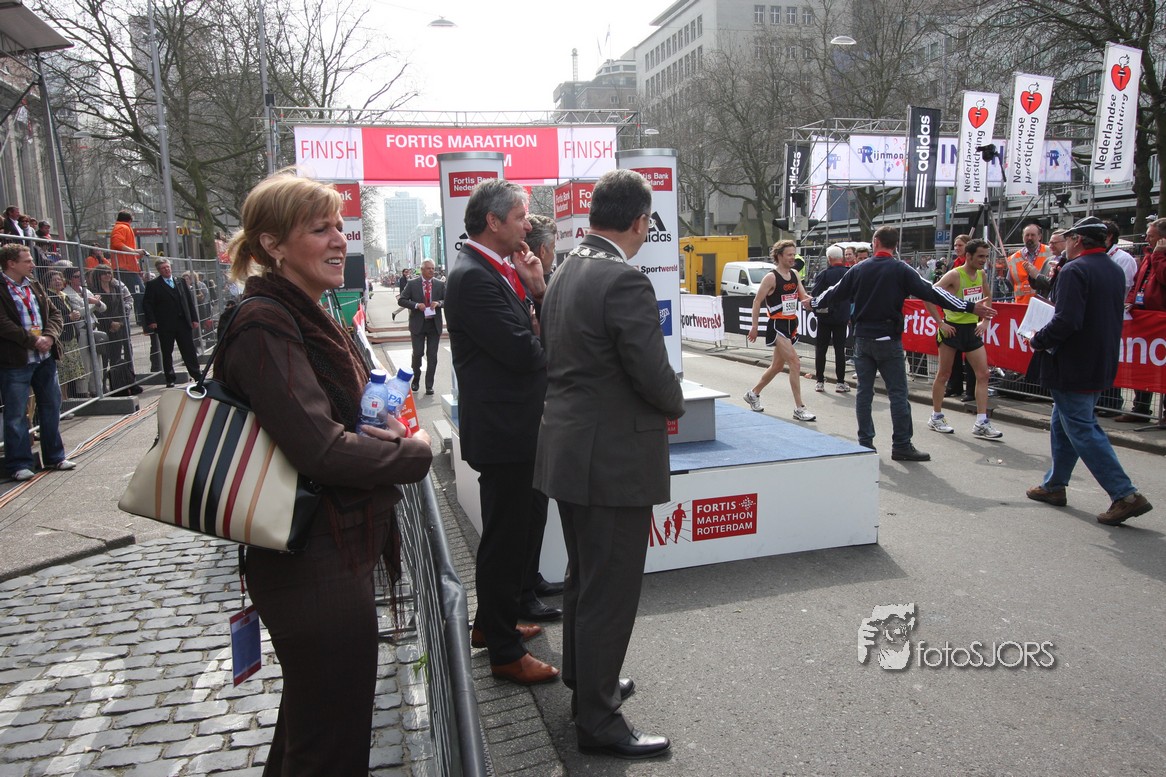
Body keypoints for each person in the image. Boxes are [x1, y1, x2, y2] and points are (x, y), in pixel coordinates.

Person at [217, 172, 433, 776]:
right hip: (310, 559)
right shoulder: (266, 322)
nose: (340, 239)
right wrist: (415, 454)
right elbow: (322, 449)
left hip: (330, 550)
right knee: (329, 744)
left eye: (340, 226)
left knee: (312, 730)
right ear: (273, 245)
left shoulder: (308, 313)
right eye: (320, 229)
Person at [534, 168, 684, 760]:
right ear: (641, 222)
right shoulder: (623, 279)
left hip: (570, 450)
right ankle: (597, 720)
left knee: (584, 578)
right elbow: (653, 374)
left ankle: (585, 679)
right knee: (610, 590)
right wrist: (673, 401)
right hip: (611, 458)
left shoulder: (567, 267)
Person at [444, 178, 557, 685]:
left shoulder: (493, 269)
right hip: (505, 430)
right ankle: (504, 652)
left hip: (514, 425)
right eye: (520, 217)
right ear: (492, 222)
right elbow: (525, 352)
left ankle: (493, 624)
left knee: (511, 533)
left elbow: (529, 343)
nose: (527, 226)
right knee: (506, 538)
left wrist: (536, 290)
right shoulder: (473, 276)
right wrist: (539, 316)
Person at [811, 226, 996, 461]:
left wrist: (813, 302)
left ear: (875, 242)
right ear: (895, 245)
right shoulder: (901, 269)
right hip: (889, 339)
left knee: (864, 394)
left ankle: (865, 444)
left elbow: (834, 292)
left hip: (863, 338)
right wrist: (969, 307)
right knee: (898, 394)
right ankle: (901, 445)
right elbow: (932, 292)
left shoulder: (859, 268)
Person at [1024, 216, 1152, 525]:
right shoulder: (1113, 268)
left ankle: (1124, 494)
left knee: (1080, 427)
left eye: (1068, 238)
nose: (1065, 243)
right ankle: (1054, 485)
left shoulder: (1075, 269)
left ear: (1077, 240)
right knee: (1062, 421)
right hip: (1100, 358)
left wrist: (1038, 339)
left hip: (1073, 362)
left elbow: (1067, 319)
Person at [518, 212, 565, 616]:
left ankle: (530, 580)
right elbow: (548, 344)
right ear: (545, 250)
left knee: (536, 508)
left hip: (538, 414)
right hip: (524, 418)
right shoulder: (518, 286)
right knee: (526, 513)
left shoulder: (533, 286)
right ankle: (521, 594)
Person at [0, 243, 76, 481]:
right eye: (27, 261)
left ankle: (55, 456)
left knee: (51, 407)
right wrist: (33, 341)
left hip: (44, 358)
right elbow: (3, 323)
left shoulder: (34, 285)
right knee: (16, 413)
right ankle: (19, 463)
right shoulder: (2, 288)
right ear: (11, 263)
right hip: (16, 361)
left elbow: (54, 314)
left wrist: (50, 337)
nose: (33, 264)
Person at [924, 238, 1003, 439]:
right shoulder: (954, 275)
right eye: (980, 256)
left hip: (971, 330)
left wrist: (985, 321)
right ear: (968, 256)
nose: (984, 260)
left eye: (986, 257)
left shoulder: (981, 274)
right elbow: (928, 295)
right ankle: (936, 416)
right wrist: (940, 323)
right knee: (944, 374)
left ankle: (981, 421)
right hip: (952, 329)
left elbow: (988, 297)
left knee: (983, 374)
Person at [743, 239, 816, 421]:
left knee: (777, 366)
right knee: (795, 363)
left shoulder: (794, 274)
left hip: (791, 324)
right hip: (777, 325)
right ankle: (799, 408)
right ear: (779, 256)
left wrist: (819, 301)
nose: (793, 258)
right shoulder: (771, 278)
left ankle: (753, 393)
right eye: (789, 255)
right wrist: (754, 326)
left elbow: (803, 296)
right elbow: (757, 301)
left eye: (794, 254)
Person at [1116, 217, 1166, 425]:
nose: (1146, 239)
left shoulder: (1157, 256)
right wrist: (1130, 301)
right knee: (1141, 364)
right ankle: (1140, 408)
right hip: (1143, 317)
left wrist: (1159, 255)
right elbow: (1137, 283)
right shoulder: (1148, 256)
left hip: (1160, 320)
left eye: (1151, 236)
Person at [143, 258, 201, 387]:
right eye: (163, 268)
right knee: (167, 351)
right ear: (159, 270)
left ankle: (197, 374)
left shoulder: (180, 281)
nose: (166, 270)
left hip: (183, 322)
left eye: (168, 267)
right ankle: (170, 378)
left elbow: (189, 301)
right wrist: (151, 321)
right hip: (165, 324)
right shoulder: (153, 285)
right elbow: (147, 304)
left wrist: (194, 318)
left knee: (189, 349)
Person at [397, 259, 444, 396]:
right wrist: (416, 305)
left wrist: (439, 303)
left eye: (433, 268)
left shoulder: (440, 284)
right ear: (422, 270)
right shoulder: (412, 284)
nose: (431, 271)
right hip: (418, 324)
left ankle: (429, 385)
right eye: (428, 268)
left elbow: (448, 299)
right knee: (418, 353)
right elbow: (401, 300)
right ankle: (416, 379)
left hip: (434, 325)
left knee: (432, 356)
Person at [89, 265, 139, 395]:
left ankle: (117, 387)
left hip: (118, 327)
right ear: (98, 275)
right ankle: (102, 387)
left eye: (109, 272)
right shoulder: (93, 290)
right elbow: (97, 310)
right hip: (103, 327)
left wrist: (120, 323)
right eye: (104, 273)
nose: (107, 275)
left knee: (116, 358)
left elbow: (122, 307)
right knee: (104, 359)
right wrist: (110, 323)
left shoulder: (116, 288)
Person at [810, 244, 850, 393]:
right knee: (840, 350)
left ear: (829, 258)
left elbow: (815, 294)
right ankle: (840, 382)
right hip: (842, 316)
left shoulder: (824, 274)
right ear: (842, 258)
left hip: (825, 316)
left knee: (821, 349)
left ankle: (820, 381)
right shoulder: (849, 273)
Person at [63, 267, 106, 398]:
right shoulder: (67, 293)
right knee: (84, 362)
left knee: (97, 361)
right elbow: (79, 313)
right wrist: (93, 303)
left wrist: (96, 303)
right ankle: (83, 391)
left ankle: (97, 389)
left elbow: (103, 308)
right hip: (81, 331)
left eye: (81, 275)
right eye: (76, 276)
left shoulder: (86, 290)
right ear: (69, 279)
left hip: (94, 329)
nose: (80, 279)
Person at [42, 270, 85, 399]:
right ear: (48, 282)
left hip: (70, 337)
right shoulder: (49, 297)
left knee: (68, 374)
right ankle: (62, 401)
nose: (58, 281)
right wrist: (69, 317)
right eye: (54, 279)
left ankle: (65, 399)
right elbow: (51, 318)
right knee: (61, 374)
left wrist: (75, 315)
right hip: (60, 339)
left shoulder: (63, 296)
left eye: (59, 279)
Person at [109, 210, 147, 323]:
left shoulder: (121, 227)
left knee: (133, 294)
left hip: (126, 267)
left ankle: (139, 320)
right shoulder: (122, 227)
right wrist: (135, 251)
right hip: (125, 268)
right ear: (130, 219)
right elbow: (117, 243)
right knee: (139, 294)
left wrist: (136, 253)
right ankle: (143, 321)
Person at [1006, 222, 1052, 304]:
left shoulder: (1050, 252)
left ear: (1040, 237)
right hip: (1022, 305)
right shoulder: (1013, 259)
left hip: (1043, 305)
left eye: (1033, 235)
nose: (1029, 238)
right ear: (1023, 237)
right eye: (1027, 235)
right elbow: (1011, 282)